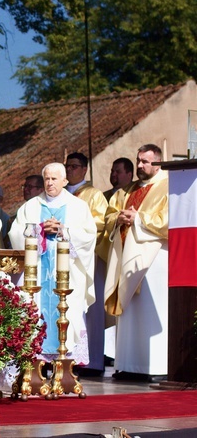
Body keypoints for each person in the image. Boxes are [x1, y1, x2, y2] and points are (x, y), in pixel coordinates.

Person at [9, 162, 97, 365]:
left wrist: (63, 231)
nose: (49, 183)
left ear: (65, 181)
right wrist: (40, 230)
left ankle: (65, 367)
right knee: (34, 314)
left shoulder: (78, 206)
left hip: (66, 274)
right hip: (38, 275)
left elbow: (89, 237)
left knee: (68, 312)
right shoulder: (30, 206)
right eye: (46, 179)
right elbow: (15, 234)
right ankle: (35, 365)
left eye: (54, 179)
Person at [104, 144, 168, 382]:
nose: (140, 165)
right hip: (126, 258)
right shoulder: (126, 190)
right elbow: (108, 214)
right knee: (129, 314)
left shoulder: (169, 186)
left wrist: (137, 218)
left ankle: (155, 366)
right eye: (139, 161)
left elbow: (167, 221)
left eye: (145, 162)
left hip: (154, 260)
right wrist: (118, 218)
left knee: (151, 311)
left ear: (158, 163)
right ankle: (128, 365)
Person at [64, 152, 110, 376]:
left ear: (84, 170)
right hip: (62, 261)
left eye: (74, 166)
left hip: (85, 259)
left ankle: (90, 362)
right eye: (68, 166)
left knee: (88, 310)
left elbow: (98, 225)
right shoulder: (60, 194)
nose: (70, 170)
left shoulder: (94, 195)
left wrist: (71, 233)